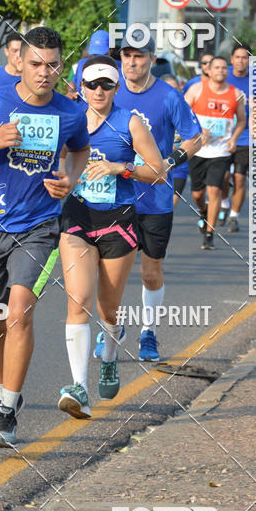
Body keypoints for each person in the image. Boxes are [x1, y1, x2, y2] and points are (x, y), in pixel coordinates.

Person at [0, 27, 90, 447]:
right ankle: (4, 393)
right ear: (19, 63)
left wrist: (71, 179)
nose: (45, 73)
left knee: (20, 311)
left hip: (40, 226)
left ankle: (6, 411)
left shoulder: (70, 112)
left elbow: (79, 149)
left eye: (53, 65)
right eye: (36, 64)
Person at [58, 56, 166, 418]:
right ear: (82, 87)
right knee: (78, 301)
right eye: (92, 84)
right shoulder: (69, 119)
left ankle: (109, 356)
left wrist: (121, 167)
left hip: (118, 222)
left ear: (117, 88)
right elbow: (52, 162)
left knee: (108, 308)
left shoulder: (129, 122)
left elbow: (158, 171)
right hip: (77, 220)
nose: (99, 90)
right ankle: (79, 387)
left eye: (106, 84)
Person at [113, 28, 202, 362]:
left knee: (150, 272)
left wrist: (169, 161)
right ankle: (113, 325)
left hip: (155, 199)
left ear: (152, 58)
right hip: (115, 197)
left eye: (139, 56)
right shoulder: (109, 93)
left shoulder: (168, 96)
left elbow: (195, 137)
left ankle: (148, 332)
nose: (132, 62)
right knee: (112, 272)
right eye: (127, 55)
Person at [185, 56, 246, 251]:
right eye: (217, 68)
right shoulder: (197, 90)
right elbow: (183, 114)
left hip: (220, 151)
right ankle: (202, 211)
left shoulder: (236, 94)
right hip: (198, 150)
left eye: (223, 68)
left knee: (214, 190)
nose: (221, 71)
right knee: (197, 194)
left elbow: (242, 121)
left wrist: (234, 139)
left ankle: (210, 233)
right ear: (209, 71)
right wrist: (197, 132)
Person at [224, 44, 252, 233]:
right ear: (232, 59)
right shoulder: (223, 77)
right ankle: (225, 202)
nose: (241, 61)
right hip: (223, 137)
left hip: (247, 137)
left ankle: (234, 216)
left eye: (245, 57)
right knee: (224, 177)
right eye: (238, 57)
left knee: (240, 179)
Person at [161, 75, 189, 207]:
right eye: (169, 89)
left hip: (179, 162)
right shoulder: (155, 109)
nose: (173, 92)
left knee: (172, 201)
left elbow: (193, 136)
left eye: (176, 89)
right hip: (157, 161)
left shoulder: (185, 107)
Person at [66, 29, 117, 101]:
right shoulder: (82, 64)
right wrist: (71, 92)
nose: (98, 59)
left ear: (111, 50)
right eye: (95, 55)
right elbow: (72, 84)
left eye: (103, 55)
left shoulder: (119, 68)